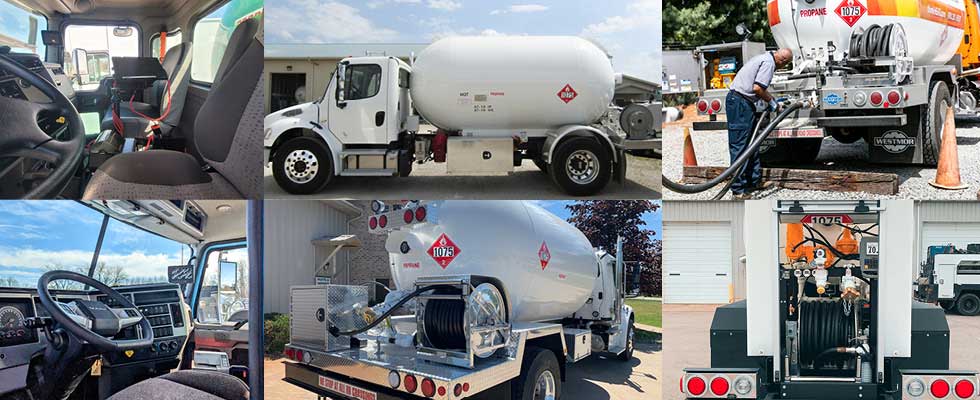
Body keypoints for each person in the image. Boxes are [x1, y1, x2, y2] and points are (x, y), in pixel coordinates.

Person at [725, 48, 793, 199]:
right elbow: (757, 88)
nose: (782, 67)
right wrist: (772, 101)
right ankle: (738, 191)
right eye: (785, 64)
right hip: (740, 103)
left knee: (752, 143)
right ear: (782, 61)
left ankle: (752, 181)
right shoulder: (769, 64)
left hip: (743, 102)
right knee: (740, 145)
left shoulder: (764, 58)